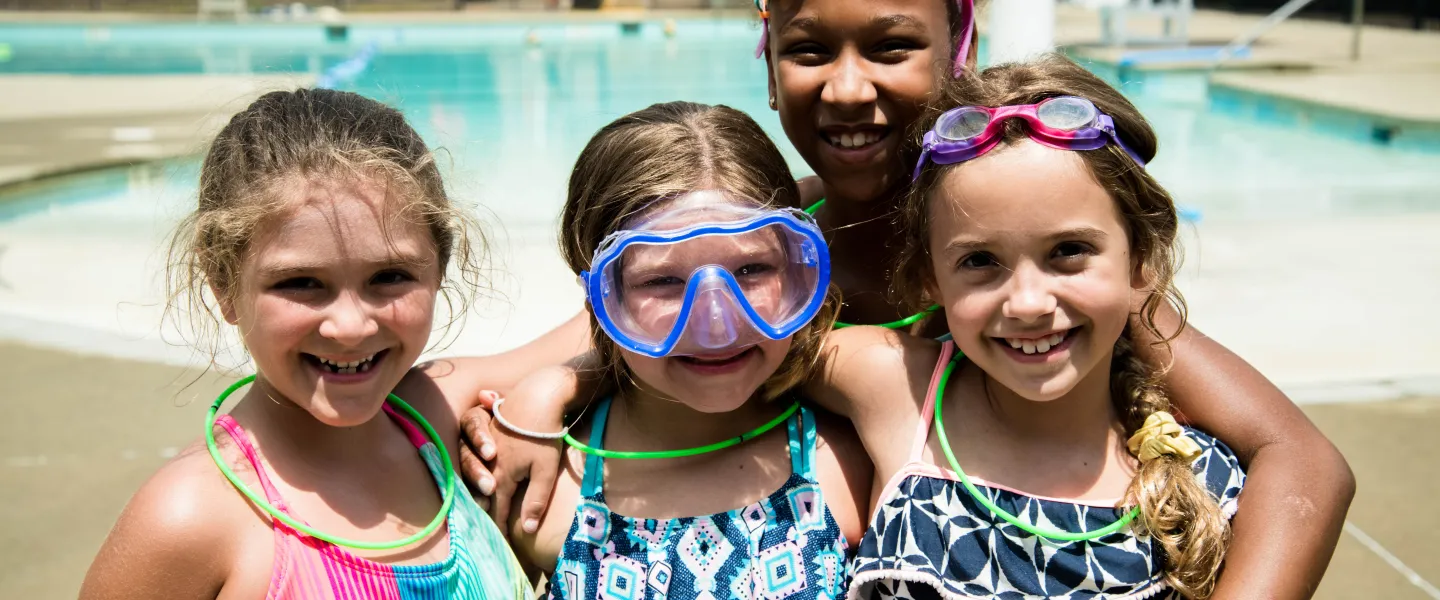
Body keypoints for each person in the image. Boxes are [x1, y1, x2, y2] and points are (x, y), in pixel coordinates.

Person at [80, 89, 529, 600]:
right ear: (223, 283)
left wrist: (552, 389)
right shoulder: (194, 517)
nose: (350, 326)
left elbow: (613, 330)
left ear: (439, 269)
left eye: (390, 276)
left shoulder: (432, 414)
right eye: (300, 283)